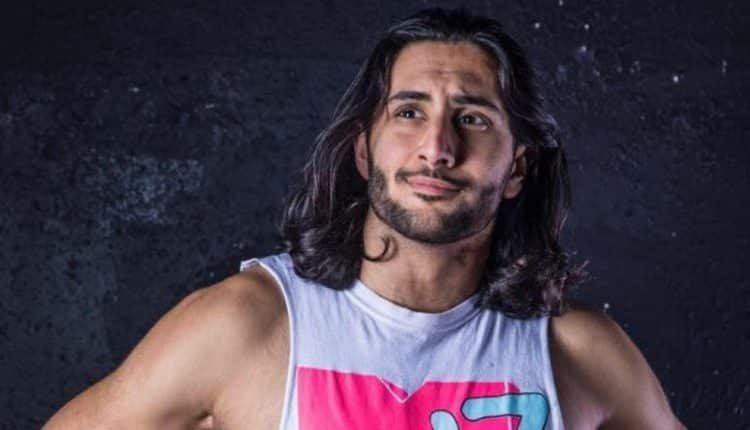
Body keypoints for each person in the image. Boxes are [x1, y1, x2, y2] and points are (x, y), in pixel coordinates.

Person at [43, 8, 686, 430]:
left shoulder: (580, 353)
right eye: (409, 112)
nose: (437, 147)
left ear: (517, 167)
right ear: (363, 149)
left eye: (471, 118)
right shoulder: (245, 326)